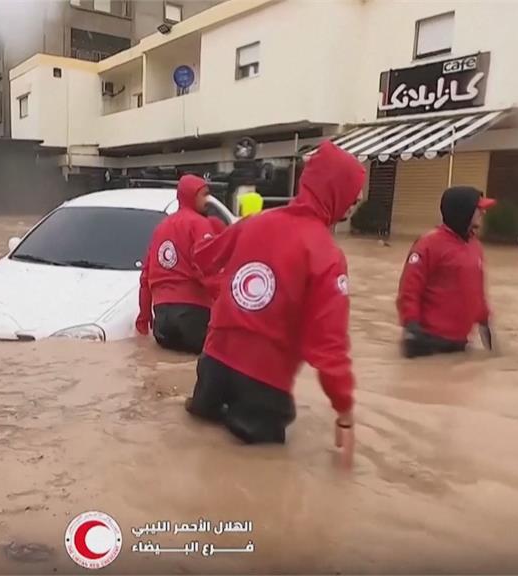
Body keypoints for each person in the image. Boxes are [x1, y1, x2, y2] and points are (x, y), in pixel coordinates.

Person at [184, 142, 364, 448]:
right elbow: (328, 347)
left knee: (199, 448)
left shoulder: (254, 223)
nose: (356, 201)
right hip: (263, 383)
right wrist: (344, 410)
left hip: (212, 366)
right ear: (338, 192)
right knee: (260, 478)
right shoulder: (327, 256)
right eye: (354, 194)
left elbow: (202, 258)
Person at [396, 186, 496, 358]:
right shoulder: (428, 244)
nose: (483, 213)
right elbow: (409, 289)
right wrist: (411, 325)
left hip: (460, 344)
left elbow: (477, 291)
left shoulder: (475, 246)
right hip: (428, 343)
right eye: (478, 209)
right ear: (463, 211)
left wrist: (485, 323)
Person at [136, 175, 223, 354]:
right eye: (204, 194)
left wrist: (143, 319)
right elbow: (206, 268)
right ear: (192, 196)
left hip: (162, 321)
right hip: (194, 316)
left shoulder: (160, 228)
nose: (208, 200)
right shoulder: (200, 224)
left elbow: (145, 277)